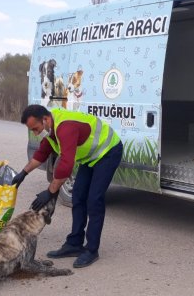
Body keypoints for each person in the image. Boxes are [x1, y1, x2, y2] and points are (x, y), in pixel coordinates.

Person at [11, 105, 123, 268]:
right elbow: (42, 154)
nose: (35, 133)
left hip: (108, 151)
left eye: (35, 129)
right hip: (91, 157)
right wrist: (23, 173)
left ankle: (91, 250)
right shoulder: (50, 129)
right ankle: (74, 243)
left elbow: (65, 165)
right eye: (32, 131)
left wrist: (50, 191)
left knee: (94, 200)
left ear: (45, 119)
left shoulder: (65, 128)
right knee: (78, 196)